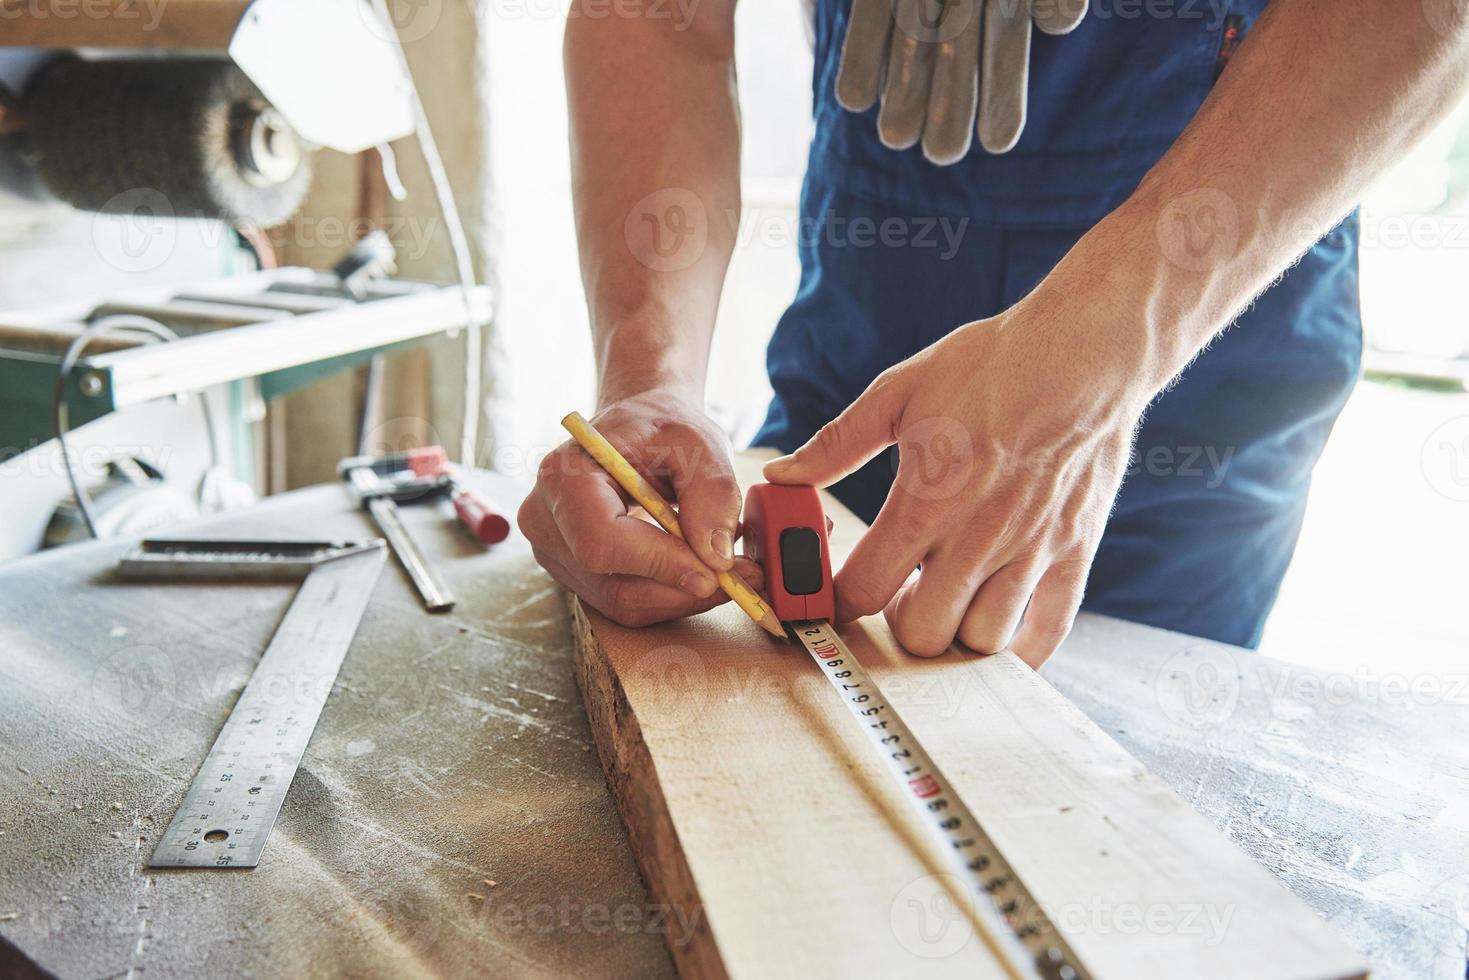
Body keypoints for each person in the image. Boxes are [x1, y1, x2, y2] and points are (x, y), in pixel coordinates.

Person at [519, 0, 1469, 666]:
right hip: (866, 319)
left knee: (1105, 817)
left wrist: (1110, 345)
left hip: (1200, 327)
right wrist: (650, 374)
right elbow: (655, 21)